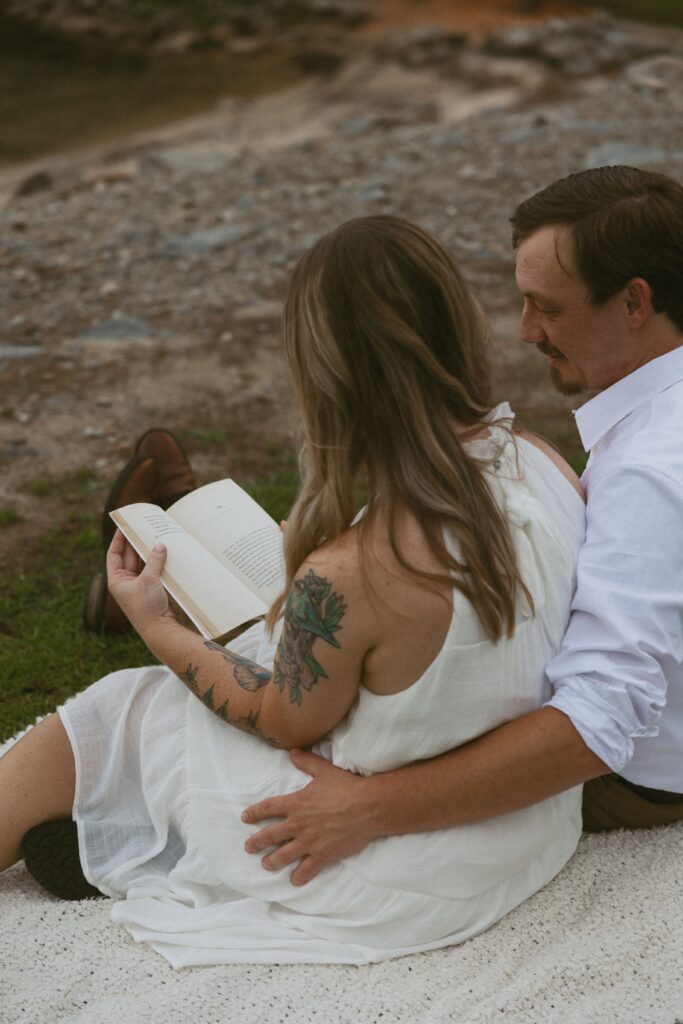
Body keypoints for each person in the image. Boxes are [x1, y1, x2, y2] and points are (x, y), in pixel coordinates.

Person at [1, 215, 586, 966]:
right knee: (248, 637)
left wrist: (156, 627)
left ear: (327, 369)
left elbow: (286, 721)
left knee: (122, 709)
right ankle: (99, 839)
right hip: (519, 831)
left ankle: (105, 813)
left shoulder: (353, 570)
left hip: (385, 866)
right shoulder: (540, 461)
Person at [237, 165, 683, 888]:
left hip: (636, 783)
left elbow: (598, 723)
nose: (526, 330)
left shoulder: (648, 472)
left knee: (276, 744)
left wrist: (368, 809)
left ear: (633, 301)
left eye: (547, 307)